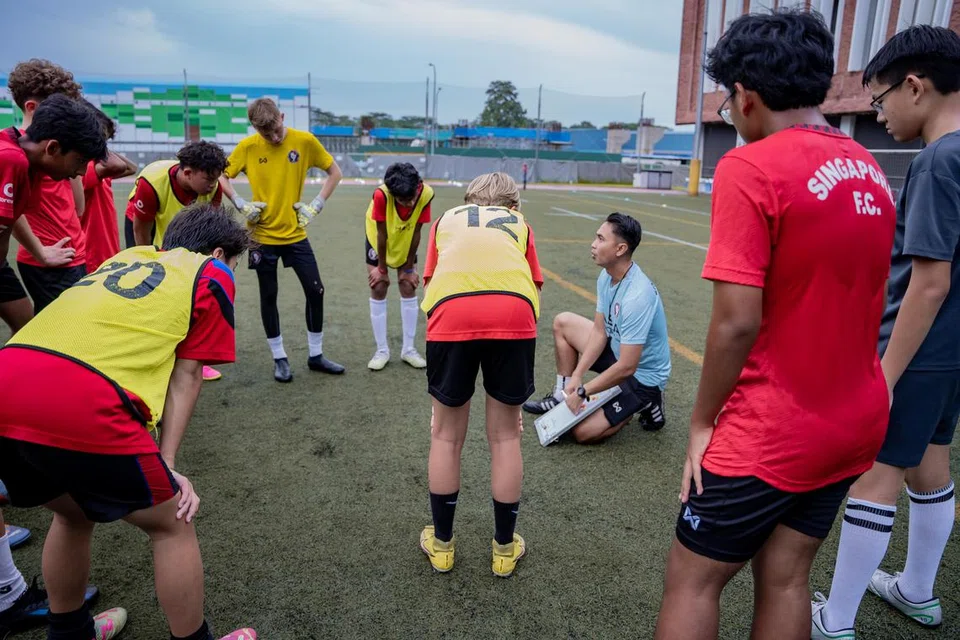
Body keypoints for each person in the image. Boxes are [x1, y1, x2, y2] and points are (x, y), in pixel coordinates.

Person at [653, 10, 895, 640]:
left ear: (746, 96)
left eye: (727, 99)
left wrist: (702, 423)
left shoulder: (750, 166)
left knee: (693, 582)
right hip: (854, 421)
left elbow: (736, 323)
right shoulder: (870, 168)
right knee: (787, 578)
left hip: (773, 427)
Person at [0, 204, 257, 640]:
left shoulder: (127, 256)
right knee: (172, 522)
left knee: (73, 513)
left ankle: (71, 633)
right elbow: (189, 373)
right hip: (79, 396)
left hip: (8, 377)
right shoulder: (212, 271)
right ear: (217, 253)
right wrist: (169, 462)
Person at [813, 25, 960, 639]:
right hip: (953, 354)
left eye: (879, 101)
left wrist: (885, 376)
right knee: (931, 464)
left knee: (876, 478)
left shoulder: (938, 159)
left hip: (922, 350)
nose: (879, 115)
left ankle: (836, 619)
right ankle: (917, 590)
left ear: (915, 87)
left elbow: (928, 283)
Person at [0, 92, 117, 639]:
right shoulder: (10, 159)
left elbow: (11, 217)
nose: (77, 176)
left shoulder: (18, 162)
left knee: (36, 347)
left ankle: (8, 591)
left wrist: (42, 253)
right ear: (52, 148)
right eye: (75, 165)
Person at [418, 172, 543, 578]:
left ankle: (442, 546)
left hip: (452, 314)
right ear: (512, 205)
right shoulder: (520, 225)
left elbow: (434, 282)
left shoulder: (447, 220)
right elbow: (533, 287)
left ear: (469, 200)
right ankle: (504, 551)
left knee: (445, 435)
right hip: (514, 315)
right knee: (506, 437)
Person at [219, 97, 344, 383]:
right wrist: (240, 202)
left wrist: (316, 205)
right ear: (254, 128)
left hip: (295, 233)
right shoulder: (247, 148)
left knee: (316, 290)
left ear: (283, 116)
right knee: (269, 295)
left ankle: (316, 355)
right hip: (261, 236)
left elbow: (334, 172)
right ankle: (280, 359)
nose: (274, 137)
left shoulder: (305, 141)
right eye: (266, 133)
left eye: (276, 128)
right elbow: (222, 177)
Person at [523, 213, 670, 443]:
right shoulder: (606, 276)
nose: (593, 244)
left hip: (641, 375)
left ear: (620, 249)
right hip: (618, 353)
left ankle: (649, 401)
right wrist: (577, 378)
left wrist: (584, 392)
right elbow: (600, 332)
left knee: (582, 433)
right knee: (563, 322)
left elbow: (628, 366)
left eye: (601, 239)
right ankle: (560, 395)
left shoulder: (637, 296)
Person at [125, 140, 227, 382]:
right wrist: (149, 262)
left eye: (216, 179)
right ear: (188, 173)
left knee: (192, 291)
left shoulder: (212, 188)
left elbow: (208, 229)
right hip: (144, 225)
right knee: (150, 291)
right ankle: (149, 352)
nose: (213, 185)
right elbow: (142, 228)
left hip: (184, 229)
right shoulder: (153, 183)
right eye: (208, 179)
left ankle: (192, 357)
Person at [8, 59, 92, 313]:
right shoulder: (22, 155)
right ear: (32, 108)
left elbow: (78, 207)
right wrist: (40, 251)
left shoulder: (55, 152)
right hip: (49, 259)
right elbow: (11, 211)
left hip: (71, 251)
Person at [364, 162, 433, 370]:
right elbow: (382, 234)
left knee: (407, 284)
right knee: (378, 286)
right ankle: (382, 350)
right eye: (403, 200)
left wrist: (410, 268)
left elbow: (418, 231)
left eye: (412, 197)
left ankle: (408, 349)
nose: (410, 203)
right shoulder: (381, 195)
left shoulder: (426, 193)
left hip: (407, 236)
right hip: (379, 239)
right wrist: (382, 269)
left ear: (418, 186)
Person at [81, 102, 137, 271]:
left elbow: (131, 168)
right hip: (92, 254)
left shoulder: (98, 169)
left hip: (107, 252)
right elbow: (117, 166)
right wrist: (99, 143)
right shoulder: (87, 170)